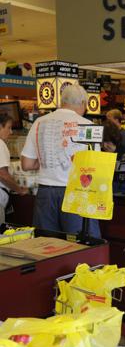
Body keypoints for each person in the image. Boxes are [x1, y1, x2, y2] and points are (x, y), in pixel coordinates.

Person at [21, 84, 101, 237]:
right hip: (76, 192)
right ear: (83, 103)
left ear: (62, 101)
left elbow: (27, 164)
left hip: (45, 193)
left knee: (46, 246)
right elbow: (94, 166)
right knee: (80, 244)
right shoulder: (88, 125)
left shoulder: (39, 122)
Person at [0, 113, 28, 224]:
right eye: (8, 127)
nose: (11, 132)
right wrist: (19, 190)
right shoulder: (0, 144)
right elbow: (3, 174)